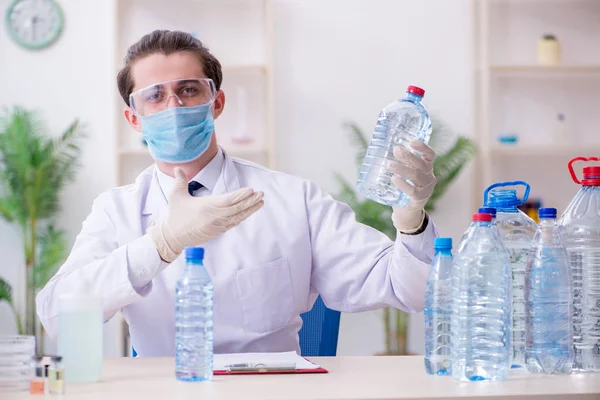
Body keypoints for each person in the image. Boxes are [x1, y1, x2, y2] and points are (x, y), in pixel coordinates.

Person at [36, 30, 438, 357]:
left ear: (216, 103)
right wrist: (160, 244)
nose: (174, 105)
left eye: (189, 90)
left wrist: (411, 219)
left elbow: (410, 290)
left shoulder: (291, 198)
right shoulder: (116, 210)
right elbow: (57, 316)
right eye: (155, 96)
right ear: (134, 119)